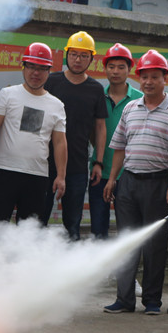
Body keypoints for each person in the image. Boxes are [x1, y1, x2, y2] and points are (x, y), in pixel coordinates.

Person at [103, 50, 168, 315]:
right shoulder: (130, 108)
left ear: (165, 79)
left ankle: (152, 301)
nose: (149, 82)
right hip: (128, 183)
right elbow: (119, 147)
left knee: (155, 244)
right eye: (144, 77)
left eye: (154, 77)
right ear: (138, 79)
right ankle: (124, 299)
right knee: (126, 242)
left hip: (159, 184)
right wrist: (112, 179)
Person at [0, 42, 67, 224]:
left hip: (37, 175)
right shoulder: (7, 94)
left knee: (29, 232)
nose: (36, 73)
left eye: (42, 68)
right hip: (4, 171)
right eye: (31, 66)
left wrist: (61, 176)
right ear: (23, 67)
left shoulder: (56, 105)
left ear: (49, 71)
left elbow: (60, 142)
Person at [42, 31, 108, 241]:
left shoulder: (95, 89)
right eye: (74, 54)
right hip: (44, 162)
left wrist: (98, 162)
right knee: (37, 220)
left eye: (84, 55)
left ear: (91, 59)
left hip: (77, 165)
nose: (78, 60)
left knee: (72, 224)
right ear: (67, 55)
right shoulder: (51, 82)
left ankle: (70, 259)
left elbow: (100, 127)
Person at [89, 43, 142, 240]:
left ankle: (125, 262)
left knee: (127, 229)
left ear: (129, 69)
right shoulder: (97, 96)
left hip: (128, 175)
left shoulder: (140, 99)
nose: (116, 71)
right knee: (98, 228)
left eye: (121, 67)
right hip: (99, 171)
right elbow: (92, 132)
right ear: (104, 68)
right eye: (111, 66)